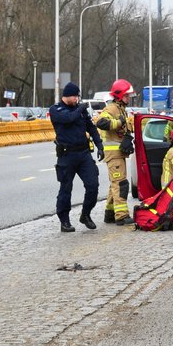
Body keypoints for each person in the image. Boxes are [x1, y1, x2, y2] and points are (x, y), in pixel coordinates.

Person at [49, 82, 104, 232]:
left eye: (78, 96)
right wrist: (79, 108)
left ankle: (85, 214)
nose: (77, 99)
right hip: (67, 155)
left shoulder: (80, 110)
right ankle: (64, 220)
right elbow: (68, 119)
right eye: (76, 96)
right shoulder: (56, 109)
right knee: (66, 189)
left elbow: (91, 128)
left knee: (93, 185)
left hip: (83, 153)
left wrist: (100, 145)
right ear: (67, 96)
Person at [95, 79, 136, 226]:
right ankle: (121, 215)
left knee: (115, 183)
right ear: (119, 96)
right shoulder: (112, 108)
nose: (128, 98)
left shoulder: (121, 109)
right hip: (113, 154)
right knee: (120, 184)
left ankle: (110, 213)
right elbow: (101, 122)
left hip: (119, 154)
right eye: (127, 96)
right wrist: (119, 123)